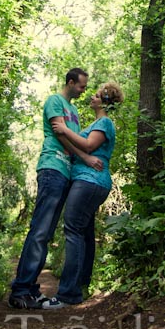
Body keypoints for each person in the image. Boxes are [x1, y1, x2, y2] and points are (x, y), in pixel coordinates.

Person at [8, 67, 102, 310]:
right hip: (52, 168)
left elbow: (74, 135)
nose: (83, 91)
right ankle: (20, 289)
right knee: (39, 231)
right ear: (70, 82)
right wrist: (86, 157)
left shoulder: (73, 111)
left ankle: (30, 289)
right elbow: (62, 136)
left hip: (66, 173)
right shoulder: (55, 101)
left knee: (47, 234)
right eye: (81, 86)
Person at [40, 81, 124, 308]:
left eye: (96, 95)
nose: (91, 98)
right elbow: (84, 149)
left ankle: (68, 294)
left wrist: (65, 129)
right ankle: (80, 286)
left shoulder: (105, 122)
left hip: (90, 181)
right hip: (87, 181)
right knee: (83, 232)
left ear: (104, 101)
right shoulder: (98, 122)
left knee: (73, 230)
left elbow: (87, 145)